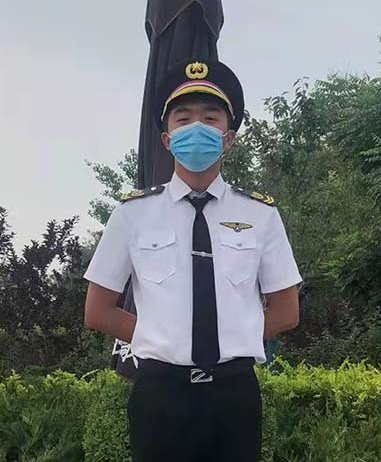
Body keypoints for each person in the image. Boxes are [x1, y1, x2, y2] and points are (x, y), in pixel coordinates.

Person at [84, 58, 303, 462]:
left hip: (234, 395)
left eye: (210, 117)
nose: (196, 127)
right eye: (183, 119)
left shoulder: (260, 215)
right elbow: (98, 311)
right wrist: (164, 337)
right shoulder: (132, 214)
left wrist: (230, 335)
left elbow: (287, 311)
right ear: (167, 139)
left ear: (228, 137)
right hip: (160, 395)